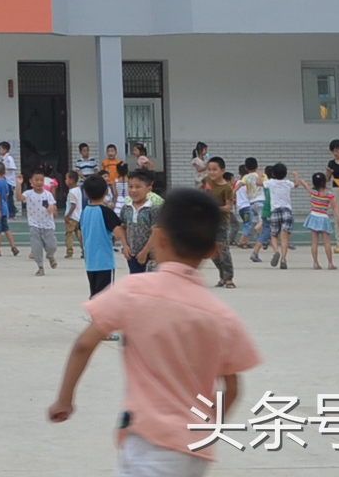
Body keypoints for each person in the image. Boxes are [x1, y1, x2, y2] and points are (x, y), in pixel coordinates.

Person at [48, 189, 259, 474]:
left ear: (159, 238)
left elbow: (84, 344)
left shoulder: (134, 291)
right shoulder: (221, 316)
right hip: (195, 449)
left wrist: (65, 399)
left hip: (148, 442)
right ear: (213, 250)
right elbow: (231, 388)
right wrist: (203, 426)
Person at [77, 174, 118, 298]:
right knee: (104, 296)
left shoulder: (85, 211)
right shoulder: (106, 211)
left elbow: (80, 234)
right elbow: (118, 232)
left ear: (86, 193)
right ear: (106, 191)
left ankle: (95, 316)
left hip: (90, 261)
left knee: (94, 292)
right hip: (105, 261)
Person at [199, 159, 236, 288]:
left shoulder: (227, 188)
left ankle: (229, 278)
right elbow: (200, 188)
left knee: (223, 249)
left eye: (215, 169)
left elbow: (228, 207)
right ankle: (222, 276)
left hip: (221, 222)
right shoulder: (207, 180)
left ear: (223, 171)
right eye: (209, 169)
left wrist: (214, 208)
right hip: (208, 221)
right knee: (212, 251)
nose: (211, 172)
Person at [120, 170, 163, 275]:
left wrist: (145, 252)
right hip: (132, 254)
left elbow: (156, 232)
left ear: (149, 189)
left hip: (150, 256)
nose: (133, 190)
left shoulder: (153, 208)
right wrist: (125, 246)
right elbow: (122, 227)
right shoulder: (126, 208)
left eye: (138, 187)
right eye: (130, 187)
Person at [23, 172, 62, 274]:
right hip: (34, 224)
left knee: (52, 246)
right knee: (36, 247)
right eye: (36, 180)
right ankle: (40, 267)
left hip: (48, 225)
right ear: (31, 182)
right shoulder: (28, 193)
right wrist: (18, 185)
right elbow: (19, 198)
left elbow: (53, 205)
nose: (39, 182)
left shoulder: (48, 194)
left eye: (41, 180)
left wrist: (52, 209)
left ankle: (50, 256)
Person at [264, 161, 295, 267]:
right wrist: (296, 175)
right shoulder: (288, 183)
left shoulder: (271, 182)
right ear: (285, 174)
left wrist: (260, 176)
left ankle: (276, 251)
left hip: (275, 211)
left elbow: (259, 183)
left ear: (273, 173)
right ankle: (283, 258)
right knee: (285, 237)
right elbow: (297, 184)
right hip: (287, 210)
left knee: (273, 234)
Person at [307, 173, 339, 269]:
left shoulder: (313, 192)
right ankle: (330, 263)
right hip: (323, 218)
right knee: (327, 242)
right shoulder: (329, 194)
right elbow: (335, 207)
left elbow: (307, 187)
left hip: (313, 216)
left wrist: (302, 182)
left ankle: (315, 263)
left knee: (314, 242)